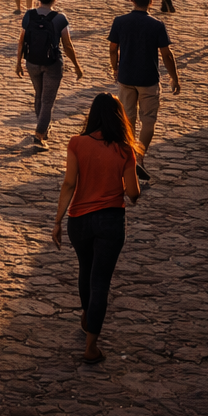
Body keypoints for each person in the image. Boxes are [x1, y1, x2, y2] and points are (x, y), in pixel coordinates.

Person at [51, 93, 142, 365]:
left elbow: (69, 184)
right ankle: (92, 345)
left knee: (85, 270)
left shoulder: (77, 143)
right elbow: (132, 193)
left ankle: (86, 314)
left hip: (79, 219)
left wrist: (57, 220)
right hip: (111, 220)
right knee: (100, 281)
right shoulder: (126, 150)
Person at [107, 0, 180, 180]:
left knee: (127, 118)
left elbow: (113, 49)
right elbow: (166, 54)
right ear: (151, 1)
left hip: (126, 77)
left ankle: (127, 154)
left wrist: (115, 67)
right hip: (148, 79)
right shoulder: (156, 25)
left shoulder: (120, 22)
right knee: (148, 120)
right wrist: (174, 77)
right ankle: (139, 157)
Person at [15, 0, 85, 146]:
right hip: (52, 63)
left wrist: (18, 63)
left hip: (32, 61)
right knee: (48, 100)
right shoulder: (59, 19)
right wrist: (76, 65)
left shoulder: (29, 15)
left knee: (39, 95)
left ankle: (43, 128)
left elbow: (21, 41)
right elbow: (67, 45)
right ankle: (39, 134)